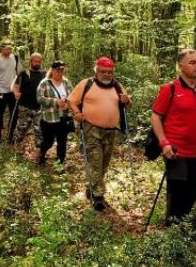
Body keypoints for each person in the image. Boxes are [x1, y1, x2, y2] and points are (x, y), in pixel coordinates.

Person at [150, 48, 196, 224]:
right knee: (177, 192)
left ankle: (181, 227)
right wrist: (164, 143)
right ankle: (172, 228)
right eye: (192, 62)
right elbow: (155, 116)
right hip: (176, 151)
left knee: (193, 191)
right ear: (181, 65)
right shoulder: (169, 88)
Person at [67, 56, 132, 211]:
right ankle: (98, 196)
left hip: (111, 131)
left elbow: (128, 106)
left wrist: (126, 101)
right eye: (103, 71)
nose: (106, 75)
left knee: (104, 163)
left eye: (109, 72)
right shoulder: (87, 84)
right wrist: (76, 113)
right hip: (91, 128)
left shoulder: (117, 86)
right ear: (96, 71)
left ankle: (91, 188)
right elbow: (71, 100)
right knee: (95, 160)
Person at [37, 60, 74, 166]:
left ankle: (60, 162)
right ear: (52, 70)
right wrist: (55, 101)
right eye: (58, 70)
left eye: (62, 70)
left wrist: (68, 105)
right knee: (48, 141)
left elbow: (72, 96)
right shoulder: (44, 83)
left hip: (63, 117)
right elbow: (39, 98)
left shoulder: (66, 82)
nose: (60, 72)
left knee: (62, 141)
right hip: (49, 118)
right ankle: (41, 154)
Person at [0, 40, 22, 142]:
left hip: (12, 91)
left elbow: (20, 74)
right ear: (2, 48)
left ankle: (11, 135)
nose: (9, 50)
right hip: (0, 91)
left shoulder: (15, 58)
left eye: (10, 48)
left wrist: (19, 89)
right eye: (7, 48)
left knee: (14, 114)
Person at [11, 53, 46, 145]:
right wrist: (16, 93)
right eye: (35, 61)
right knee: (21, 128)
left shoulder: (44, 74)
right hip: (25, 106)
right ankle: (15, 147)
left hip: (39, 107)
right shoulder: (24, 73)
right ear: (31, 61)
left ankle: (40, 151)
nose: (37, 63)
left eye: (39, 61)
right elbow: (15, 85)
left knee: (40, 130)